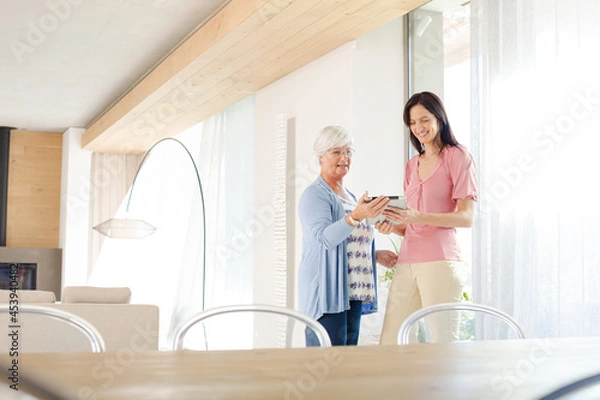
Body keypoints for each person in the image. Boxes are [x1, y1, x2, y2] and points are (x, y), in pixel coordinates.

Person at [377, 91, 478, 345]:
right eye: (412, 123)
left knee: (443, 344)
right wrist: (394, 226)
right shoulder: (412, 165)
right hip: (407, 261)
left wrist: (417, 215)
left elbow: (466, 218)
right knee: (390, 342)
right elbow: (413, 223)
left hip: (441, 262)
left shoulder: (458, 156)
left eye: (424, 120)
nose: (418, 128)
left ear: (439, 118)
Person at [298, 125, 398, 346]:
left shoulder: (351, 197)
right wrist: (356, 215)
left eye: (349, 151)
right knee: (327, 368)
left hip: (352, 293)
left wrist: (376, 255)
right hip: (328, 295)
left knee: (345, 365)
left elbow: (348, 243)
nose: (344, 158)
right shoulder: (314, 195)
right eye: (336, 152)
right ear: (321, 156)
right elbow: (325, 238)